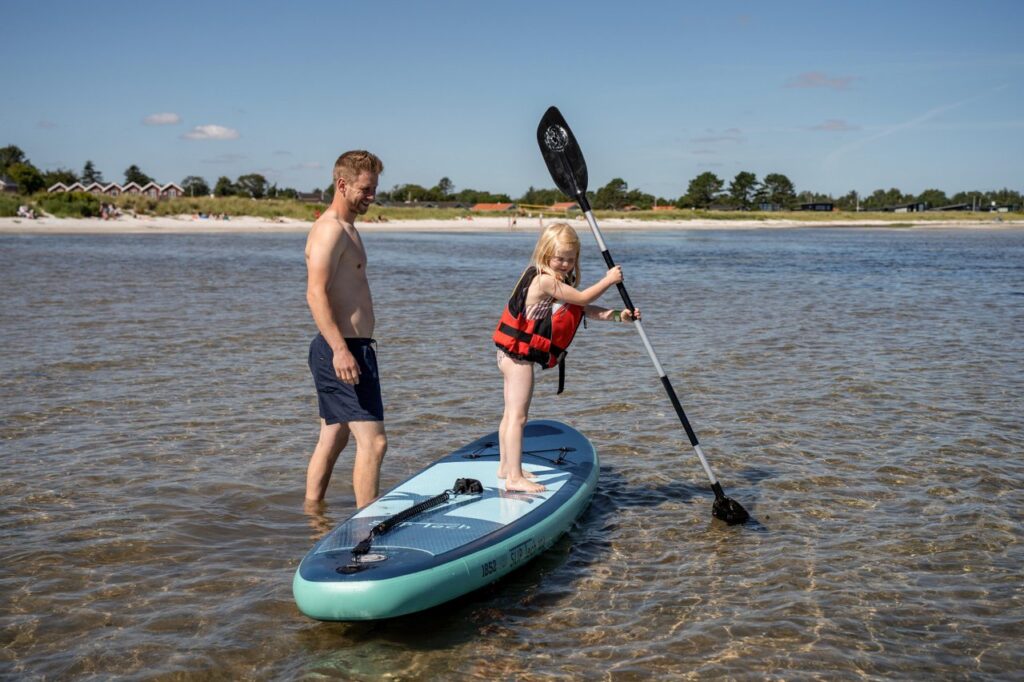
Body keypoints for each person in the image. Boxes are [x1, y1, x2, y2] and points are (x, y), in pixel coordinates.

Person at [493, 222, 640, 492]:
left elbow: (583, 310)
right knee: (518, 417)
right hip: (517, 358)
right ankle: (514, 478)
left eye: (570, 260)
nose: (564, 264)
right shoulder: (543, 280)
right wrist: (609, 280)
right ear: (545, 253)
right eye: (559, 258)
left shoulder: (557, 280)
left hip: (510, 354)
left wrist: (620, 316)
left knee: (510, 414)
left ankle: (506, 467)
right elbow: (583, 297)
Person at [304, 150, 387, 509]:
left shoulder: (349, 228)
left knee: (334, 437)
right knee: (375, 442)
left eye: (374, 189)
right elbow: (315, 294)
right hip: (342, 350)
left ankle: (312, 514)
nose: (372, 197)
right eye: (366, 190)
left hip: (353, 347)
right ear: (342, 184)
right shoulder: (329, 230)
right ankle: (367, 530)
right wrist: (339, 349)